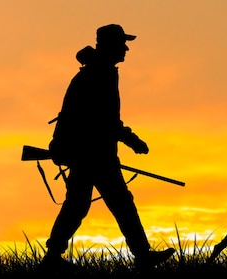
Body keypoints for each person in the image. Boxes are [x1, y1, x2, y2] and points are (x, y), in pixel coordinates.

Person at [39, 24, 175, 271]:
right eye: (122, 43)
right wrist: (132, 140)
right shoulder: (99, 74)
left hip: (93, 152)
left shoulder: (98, 71)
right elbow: (104, 119)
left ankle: (52, 258)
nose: (126, 48)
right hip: (93, 154)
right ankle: (142, 256)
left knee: (85, 205)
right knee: (113, 204)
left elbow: (103, 120)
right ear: (110, 46)